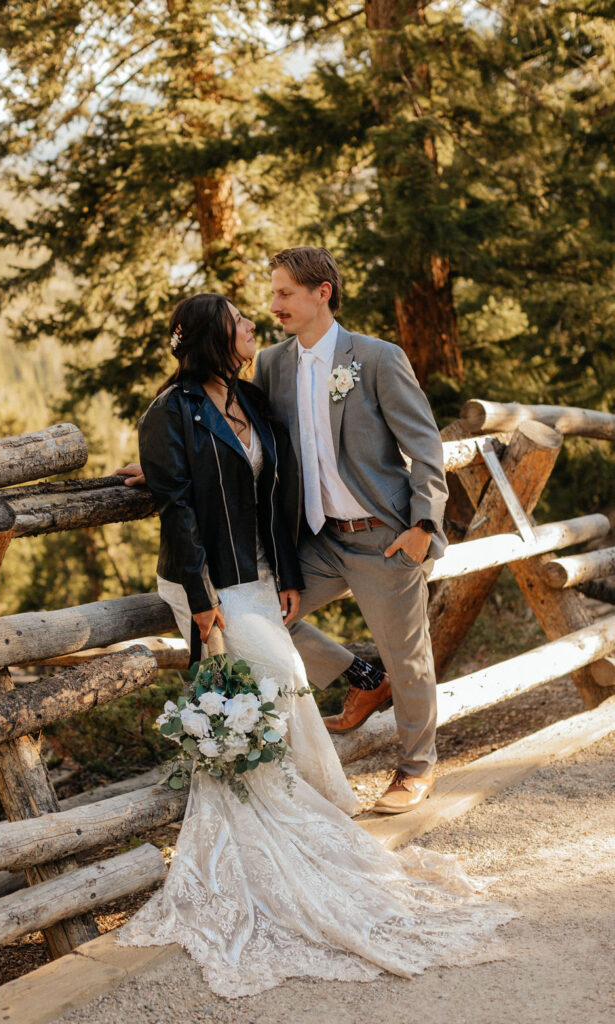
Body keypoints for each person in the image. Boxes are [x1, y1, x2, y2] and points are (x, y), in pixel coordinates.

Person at [117, 291, 513, 998]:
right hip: (212, 582)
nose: (256, 323)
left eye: (266, 305)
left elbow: (276, 484)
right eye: (241, 319)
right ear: (214, 335)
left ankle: (329, 793)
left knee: (287, 689)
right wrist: (201, 595)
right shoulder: (169, 410)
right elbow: (178, 506)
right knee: (281, 685)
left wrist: (292, 572)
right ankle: (283, 819)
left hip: (266, 573)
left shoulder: (250, 396)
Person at [254, 246, 448, 814]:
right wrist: (164, 463)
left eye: (285, 293)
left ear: (323, 293)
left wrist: (422, 525)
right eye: (272, 294)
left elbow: (425, 444)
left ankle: (416, 768)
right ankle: (361, 677)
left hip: (382, 537)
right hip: (314, 540)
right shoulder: (270, 365)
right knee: (263, 616)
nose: (274, 305)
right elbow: (234, 425)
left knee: (407, 655)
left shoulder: (377, 358)